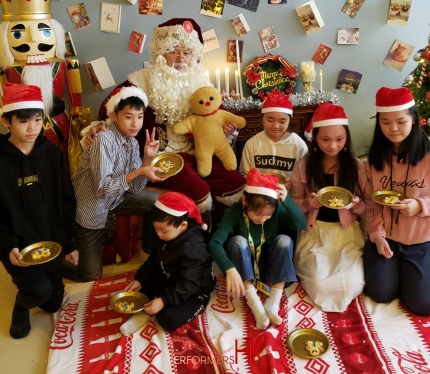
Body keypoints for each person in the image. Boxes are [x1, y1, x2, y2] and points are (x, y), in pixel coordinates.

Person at [85, 18, 246, 227]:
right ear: (161, 53)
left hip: (198, 152)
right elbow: (112, 108)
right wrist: (100, 125)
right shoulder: (140, 82)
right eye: (173, 51)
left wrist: (226, 129)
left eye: (187, 53)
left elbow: (219, 117)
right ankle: (200, 243)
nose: (181, 59)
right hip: (159, 157)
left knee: (234, 182)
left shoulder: (201, 83)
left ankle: (226, 239)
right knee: (200, 191)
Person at [0, 83, 78, 339]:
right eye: (24, 121)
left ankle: (37, 285)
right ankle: (21, 305)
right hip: (18, 247)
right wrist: (7, 246)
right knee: (37, 293)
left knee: (52, 303)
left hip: (50, 241)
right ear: (6, 121)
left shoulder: (52, 154)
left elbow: (67, 200)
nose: (33, 128)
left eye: (37, 120)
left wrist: (69, 243)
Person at [63, 86, 162, 282]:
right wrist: (140, 171)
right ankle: (50, 263)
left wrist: (146, 160)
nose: (136, 124)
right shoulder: (103, 140)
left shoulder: (132, 142)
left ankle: (149, 253)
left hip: (116, 199)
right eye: (128, 117)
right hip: (90, 210)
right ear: (113, 116)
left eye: (140, 117)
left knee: (159, 202)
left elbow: (134, 188)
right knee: (90, 275)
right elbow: (103, 190)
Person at [0, 0, 82, 157]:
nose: (32, 39)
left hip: (59, 125)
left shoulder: (65, 64)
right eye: (18, 34)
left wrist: (80, 124)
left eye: (43, 31)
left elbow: (76, 102)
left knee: (60, 166)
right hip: (21, 130)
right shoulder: (7, 69)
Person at [208, 168, 306, 330]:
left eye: (268, 216)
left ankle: (273, 302)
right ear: (245, 201)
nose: (263, 219)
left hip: (268, 268)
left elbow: (301, 224)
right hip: (243, 268)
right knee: (238, 241)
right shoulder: (233, 213)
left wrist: (287, 201)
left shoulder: (274, 211)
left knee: (285, 240)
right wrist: (229, 269)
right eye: (258, 215)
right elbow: (214, 243)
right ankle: (254, 304)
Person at [291, 102, 366, 312]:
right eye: (325, 139)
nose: (333, 145)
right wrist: (307, 203)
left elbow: (368, 207)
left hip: (347, 235)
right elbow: (293, 202)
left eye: (339, 139)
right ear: (315, 137)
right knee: (319, 283)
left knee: (352, 282)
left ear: (347, 138)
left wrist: (357, 207)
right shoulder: (304, 165)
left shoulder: (357, 166)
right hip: (316, 235)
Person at [364, 87, 430, 316]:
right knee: (380, 294)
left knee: (422, 305)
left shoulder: (428, 152)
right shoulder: (375, 158)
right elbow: (371, 204)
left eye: (401, 121)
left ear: (413, 119)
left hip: (421, 239)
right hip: (386, 239)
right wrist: (377, 236)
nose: (393, 129)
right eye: (386, 122)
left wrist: (420, 206)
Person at [119, 192, 216, 334]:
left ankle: (155, 309)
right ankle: (144, 313)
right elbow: (153, 260)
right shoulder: (164, 235)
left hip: (193, 289)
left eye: (163, 230)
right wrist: (140, 279)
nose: (158, 234)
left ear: (182, 226)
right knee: (139, 290)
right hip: (171, 277)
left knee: (167, 319)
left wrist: (164, 300)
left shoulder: (192, 248)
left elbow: (189, 284)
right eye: (156, 228)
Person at [239, 89, 308, 187]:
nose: (276, 126)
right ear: (262, 118)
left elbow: (304, 179)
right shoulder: (252, 144)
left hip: (289, 197)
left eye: (282, 121)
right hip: (260, 197)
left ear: (290, 120)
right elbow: (245, 175)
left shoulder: (298, 145)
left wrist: (292, 184)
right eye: (270, 120)